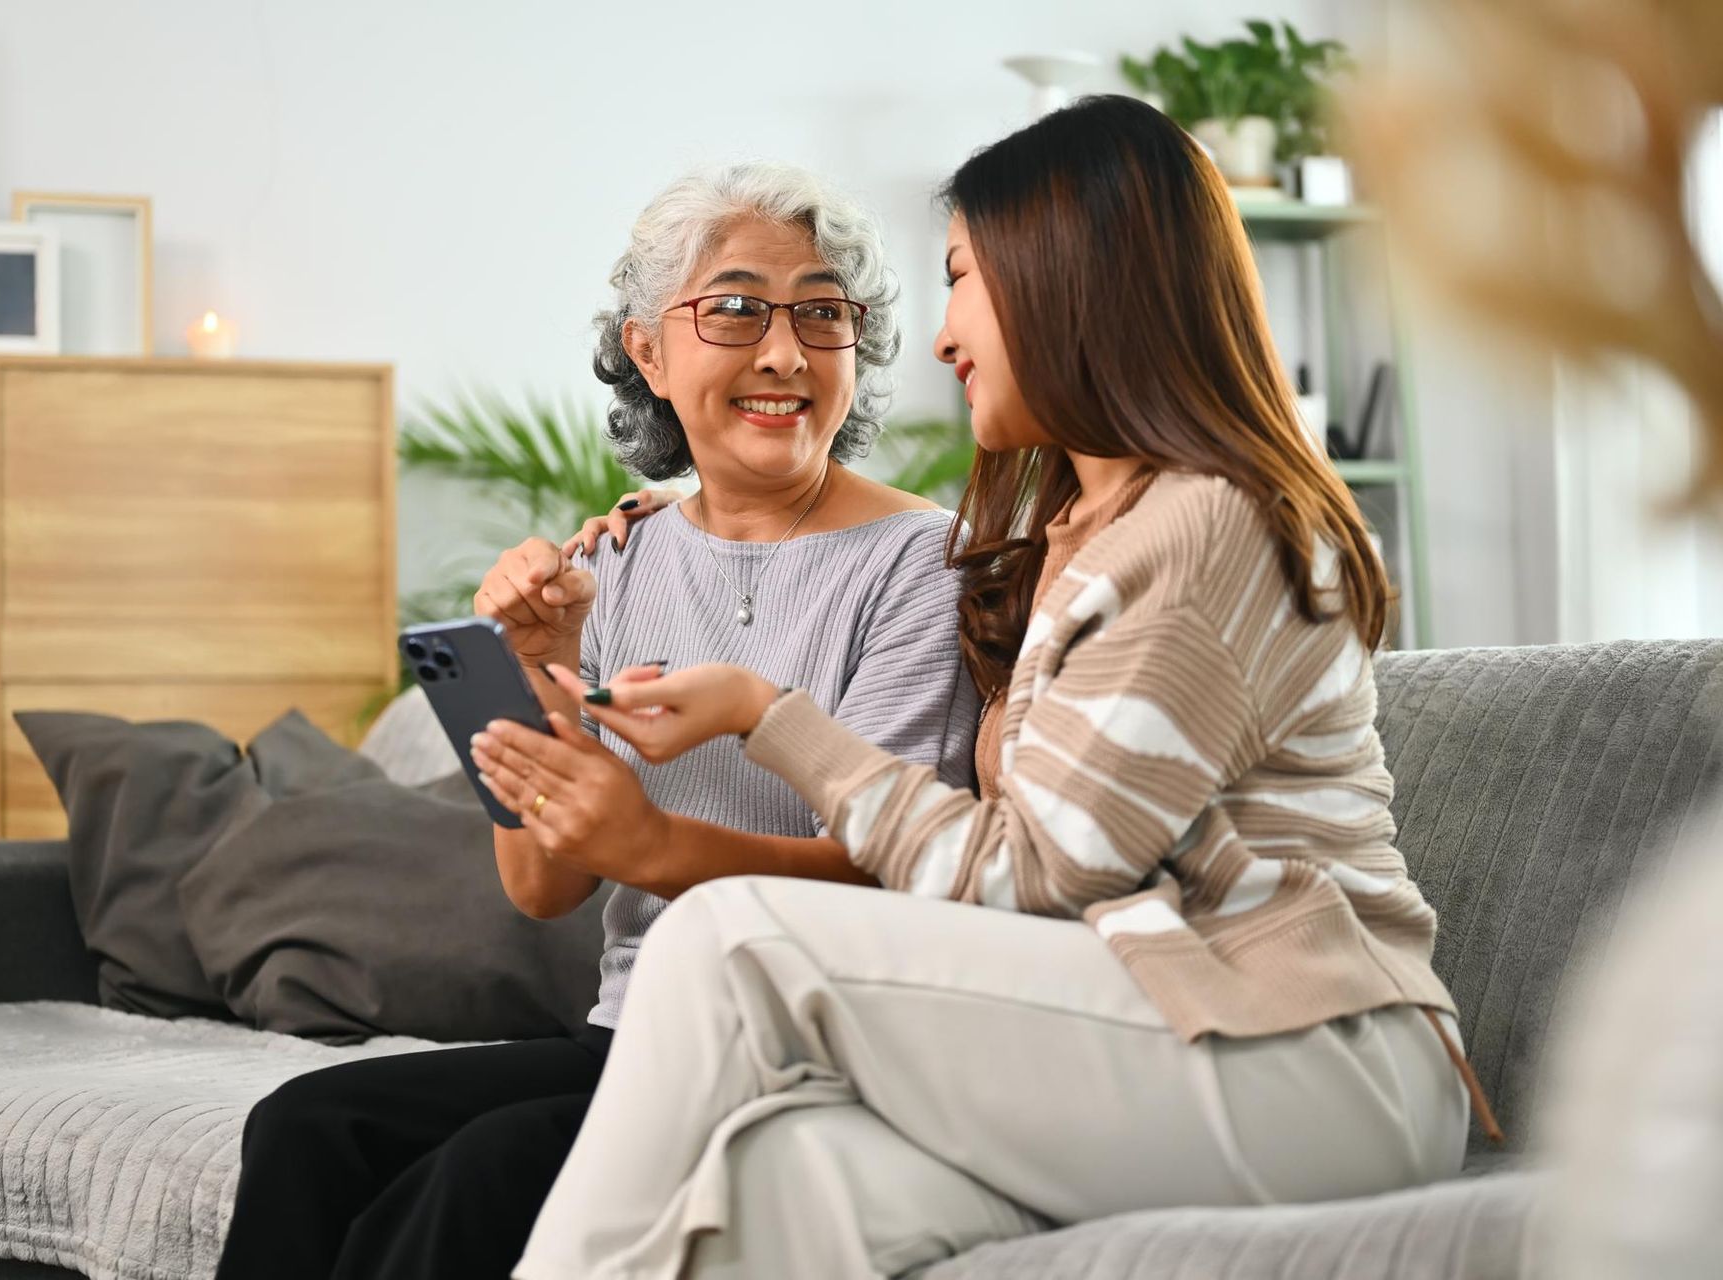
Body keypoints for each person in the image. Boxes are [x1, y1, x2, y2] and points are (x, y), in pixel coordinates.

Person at [505, 96, 1496, 1280]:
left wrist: (769, 721)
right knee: (782, 1173)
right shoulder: (1071, 529)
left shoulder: (1213, 525)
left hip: (1315, 1055)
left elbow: (1037, 870)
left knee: (726, 941)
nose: (935, 337)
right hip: (1158, 1015)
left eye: (963, 277)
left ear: (1064, 285)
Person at [212, 162, 980, 1280]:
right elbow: (543, 887)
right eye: (735, 308)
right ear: (649, 352)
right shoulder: (617, 561)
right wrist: (538, 674)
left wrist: (653, 844)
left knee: (475, 1178)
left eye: (823, 313)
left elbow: (901, 875)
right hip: (634, 1031)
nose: (784, 353)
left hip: (803, 1049)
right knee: (305, 1126)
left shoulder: (922, 563)